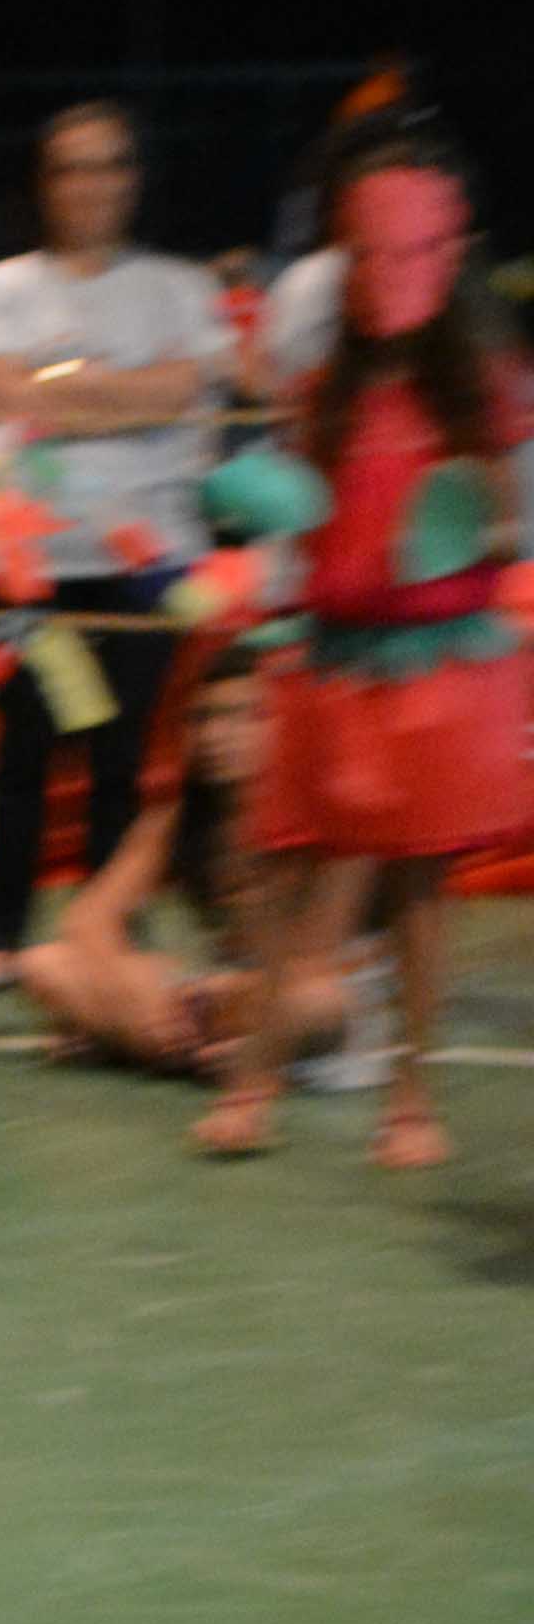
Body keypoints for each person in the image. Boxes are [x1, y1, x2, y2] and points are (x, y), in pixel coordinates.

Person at [195, 126, 530, 1173]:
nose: (385, 269)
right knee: (285, 867)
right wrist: (258, 512)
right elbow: (300, 518)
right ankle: (253, 1083)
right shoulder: (324, 386)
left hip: (430, 664)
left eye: (407, 248)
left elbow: (508, 528)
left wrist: (474, 525)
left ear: (448, 252)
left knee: (419, 886)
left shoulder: (481, 386)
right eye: (367, 249)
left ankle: (411, 1092)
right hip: (332, 659)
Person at [0, 104, 228, 995]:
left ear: (133, 178)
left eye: (108, 166)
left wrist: (58, 388)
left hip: (142, 566)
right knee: (23, 752)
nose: (91, 185)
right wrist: (112, 392)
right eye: (70, 168)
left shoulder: (181, 287)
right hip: (25, 568)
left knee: (120, 758)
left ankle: (110, 939)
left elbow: (179, 393)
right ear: (43, 183)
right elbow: (5, 400)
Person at [17, 657, 345, 1076]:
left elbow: (318, 962)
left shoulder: (319, 816)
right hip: (209, 998)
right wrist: (133, 989)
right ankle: (197, 1052)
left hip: (284, 989)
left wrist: (224, 989)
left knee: (321, 1004)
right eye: (203, 718)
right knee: (43, 964)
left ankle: (146, 1044)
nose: (215, 736)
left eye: (240, 717)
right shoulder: (177, 817)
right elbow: (88, 920)